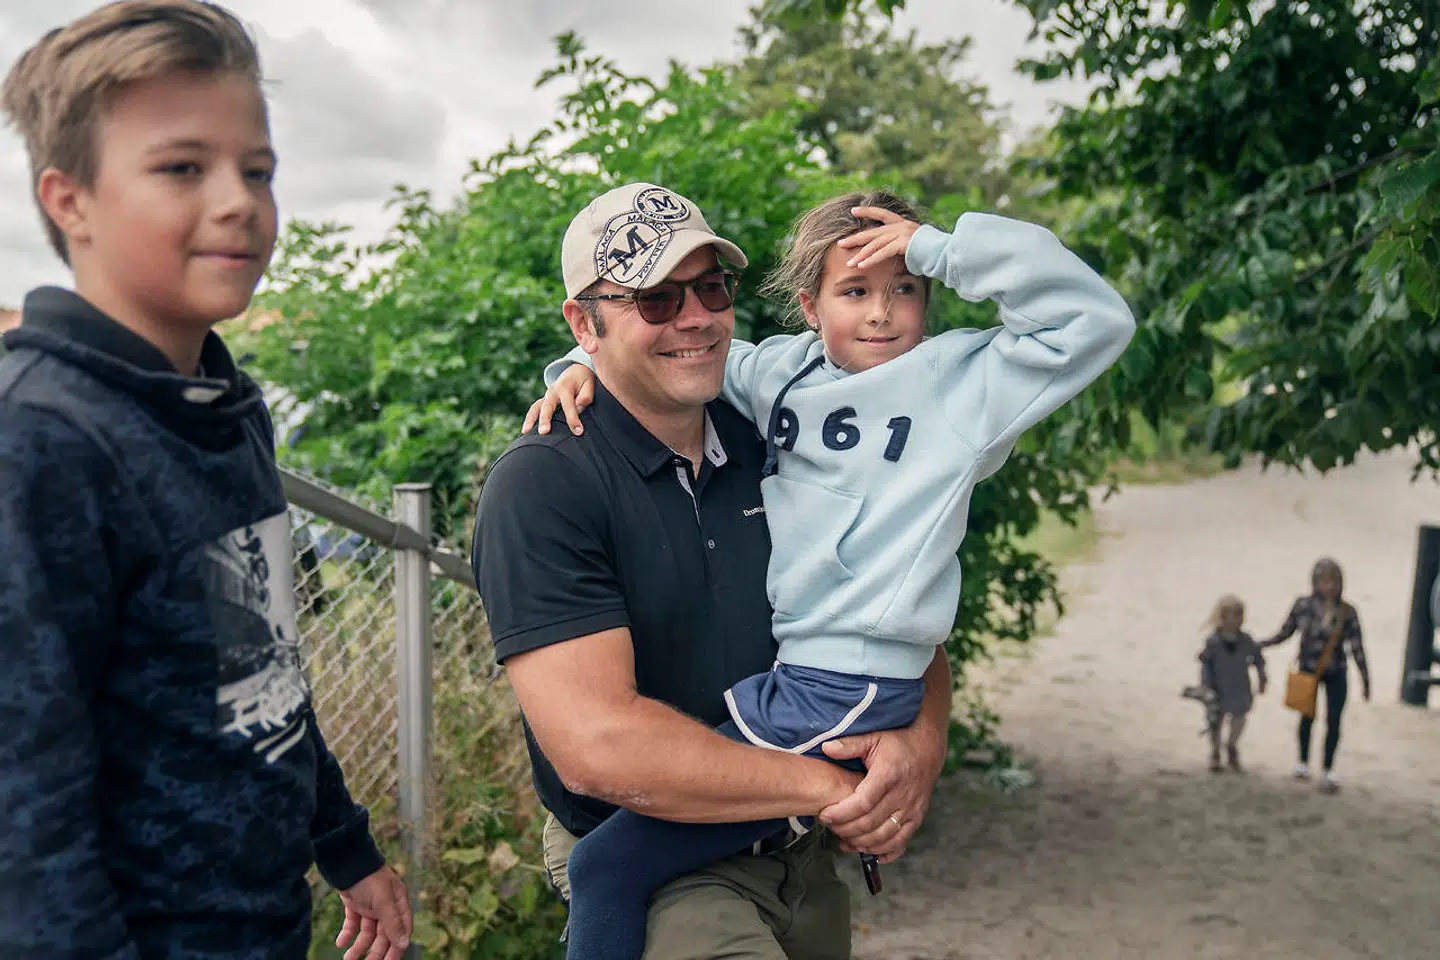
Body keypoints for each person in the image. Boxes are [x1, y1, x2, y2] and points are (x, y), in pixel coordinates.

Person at [527, 186, 1137, 958]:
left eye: (904, 289)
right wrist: (575, 371)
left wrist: (940, 246)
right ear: (810, 307)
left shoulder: (964, 382)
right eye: (855, 291)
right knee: (615, 855)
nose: (882, 313)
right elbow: (644, 357)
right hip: (802, 682)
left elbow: (1097, 320)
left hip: (845, 683)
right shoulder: (777, 377)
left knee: (607, 862)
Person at [0, 4, 410, 957]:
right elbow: (26, 822)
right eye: (183, 168)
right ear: (69, 201)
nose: (240, 201)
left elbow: (255, 668)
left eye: (257, 169)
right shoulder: (42, 440)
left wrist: (342, 846)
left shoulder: (222, 406)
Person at [471, 183, 960, 960]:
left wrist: (919, 749)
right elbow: (599, 746)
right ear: (583, 324)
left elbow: (896, 613)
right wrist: (839, 790)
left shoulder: (784, 430)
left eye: (709, 287)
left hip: (800, 856)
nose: (694, 317)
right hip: (662, 866)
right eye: (655, 299)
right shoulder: (547, 483)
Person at [1261, 557, 1370, 793]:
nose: (1328, 586)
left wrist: (1365, 678)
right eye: (1323, 581)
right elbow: (1285, 633)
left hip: (1337, 670)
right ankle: (1302, 763)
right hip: (1308, 669)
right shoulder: (1303, 606)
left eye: (1333, 582)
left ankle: (1328, 768)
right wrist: (1261, 644)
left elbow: (1357, 647)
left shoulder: (1347, 612)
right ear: (1315, 582)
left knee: (1334, 720)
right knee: (1306, 718)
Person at [1197, 595, 1267, 773]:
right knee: (1215, 722)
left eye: (1240, 614)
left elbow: (1258, 660)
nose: (1237, 619)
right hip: (1217, 687)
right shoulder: (1213, 641)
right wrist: (1205, 685)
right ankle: (1214, 753)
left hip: (1240, 687)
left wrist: (1262, 678)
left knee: (1239, 719)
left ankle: (1231, 745)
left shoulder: (1246, 640)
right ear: (1222, 616)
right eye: (1233, 615)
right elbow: (1206, 663)